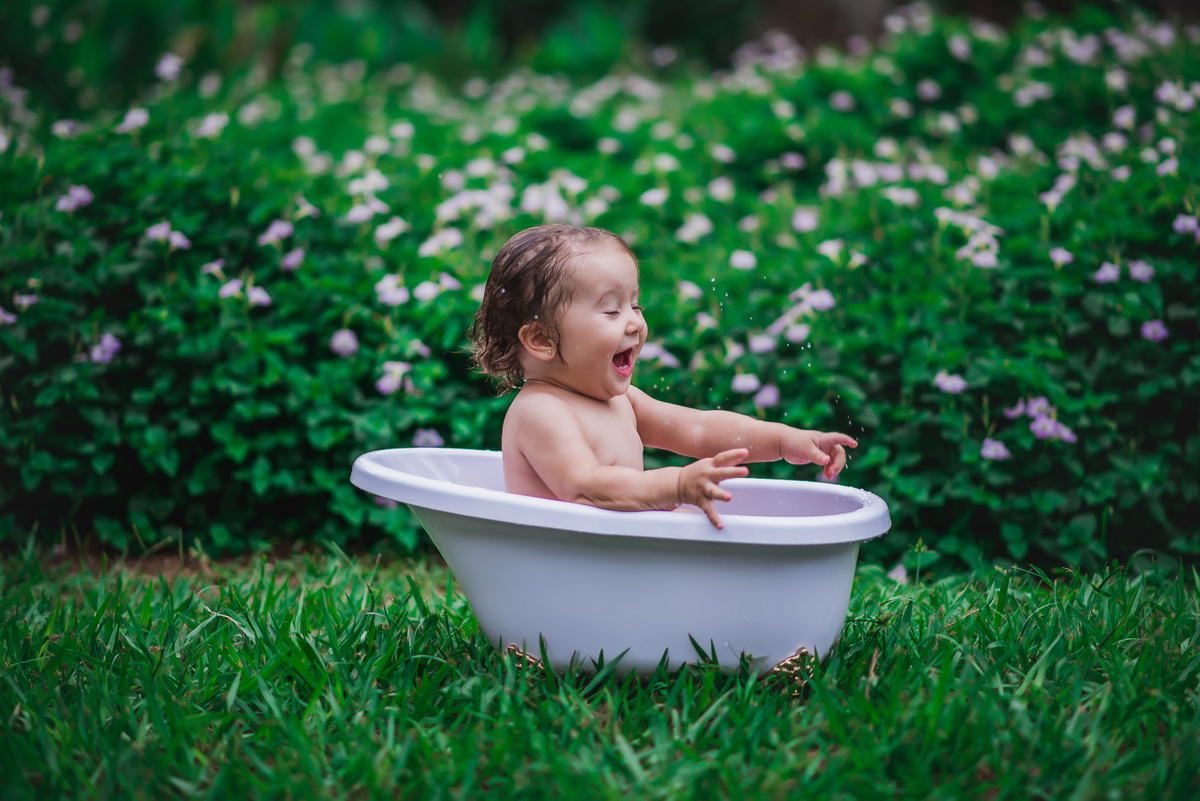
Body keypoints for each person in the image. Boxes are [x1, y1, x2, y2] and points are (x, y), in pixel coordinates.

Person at [468, 223, 857, 529]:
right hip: (566, 569)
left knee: (701, 523)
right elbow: (584, 486)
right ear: (541, 339)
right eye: (611, 311)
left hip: (609, 563)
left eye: (635, 304)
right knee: (690, 519)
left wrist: (785, 441)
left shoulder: (621, 401)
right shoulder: (542, 412)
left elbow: (700, 429)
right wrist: (674, 487)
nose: (636, 322)